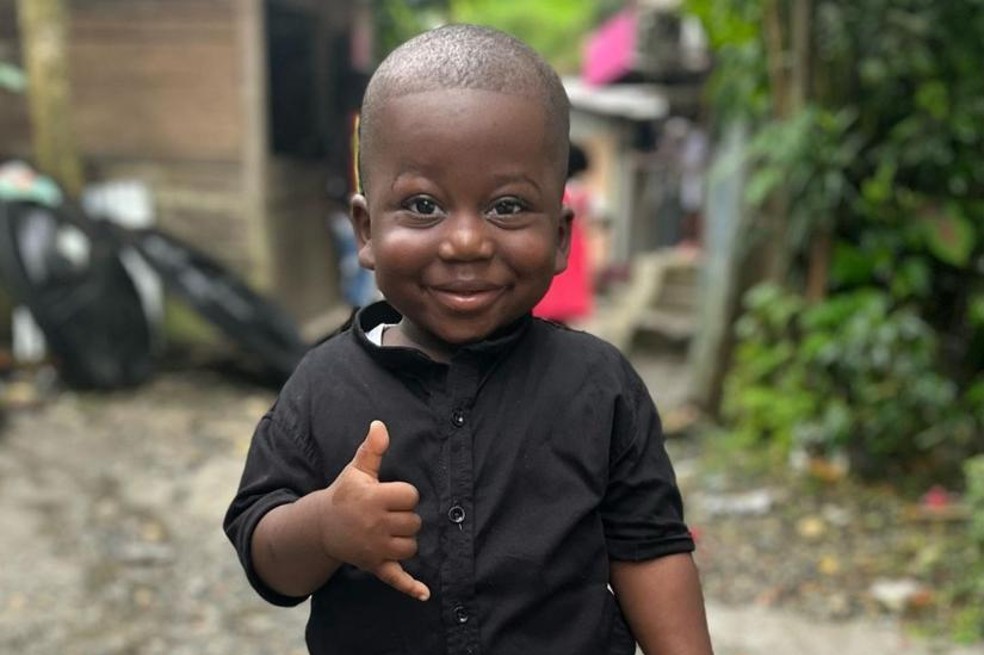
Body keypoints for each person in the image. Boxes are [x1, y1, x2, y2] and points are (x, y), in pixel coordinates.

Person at [224, 24, 714, 655]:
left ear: (562, 236)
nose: (466, 243)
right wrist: (324, 528)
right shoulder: (320, 387)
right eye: (423, 206)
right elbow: (267, 564)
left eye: (507, 207)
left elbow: (651, 550)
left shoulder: (599, 386)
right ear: (366, 231)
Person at [533, 143, 595, 324]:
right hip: (575, 243)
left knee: (552, 282)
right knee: (569, 282)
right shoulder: (581, 192)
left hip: (551, 241)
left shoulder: (550, 189)